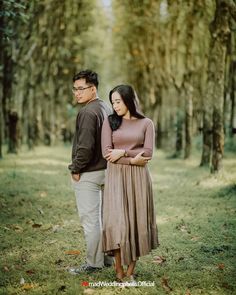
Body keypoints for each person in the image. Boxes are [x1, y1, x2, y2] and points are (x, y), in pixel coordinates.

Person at [101, 84, 159, 281]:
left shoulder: (146, 123)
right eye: (112, 102)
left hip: (138, 179)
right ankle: (118, 271)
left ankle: (130, 272)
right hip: (115, 177)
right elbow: (107, 152)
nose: (115, 106)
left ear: (129, 100)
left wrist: (124, 152)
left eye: (118, 101)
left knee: (135, 221)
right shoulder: (109, 122)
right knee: (117, 223)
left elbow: (149, 152)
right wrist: (132, 159)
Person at [68, 70, 112, 274]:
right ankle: (107, 258)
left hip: (90, 172)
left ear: (92, 89)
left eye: (81, 89)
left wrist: (75, 168)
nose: (77, 93)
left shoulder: (87, 112)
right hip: (108, 170)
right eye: (75, 89)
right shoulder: (105, 106)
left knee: (91, 219)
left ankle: (94, 264)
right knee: (105, 217)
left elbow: (85, 147)